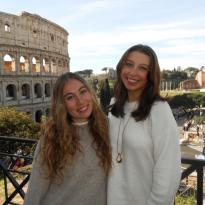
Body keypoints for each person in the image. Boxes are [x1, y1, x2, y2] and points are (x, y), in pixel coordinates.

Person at [107, 44, 181, 205]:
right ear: (121, 67)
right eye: (129, 64)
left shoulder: (159, 110)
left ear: (150, 75)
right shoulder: (114, 105)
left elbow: (168, 173)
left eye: (142, 68)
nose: (133, 72)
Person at [24, 72, 112, 205]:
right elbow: (37, 187)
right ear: (62, 104)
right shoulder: (52, 137)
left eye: (83, 92)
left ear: (90, 93)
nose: (80, 101)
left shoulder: (109, 128)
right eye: (70, 97)